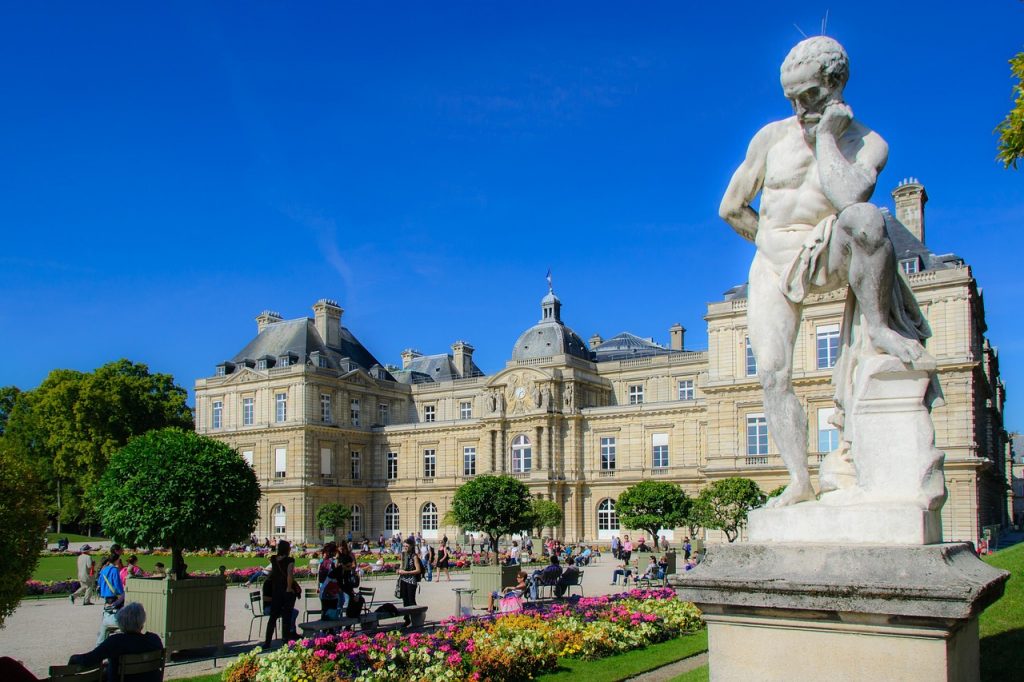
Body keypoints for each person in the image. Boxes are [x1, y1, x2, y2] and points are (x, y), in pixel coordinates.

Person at [719, 36, 933, 508]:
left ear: (835, 85)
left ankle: (877, 324)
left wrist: (826, 138)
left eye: (810, 95)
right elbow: (731, 208)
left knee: (867, 219)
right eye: (791, 97)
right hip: (774, 260)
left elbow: (848, 199)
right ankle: (800, 480)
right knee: (773, 375)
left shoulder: (868, 142)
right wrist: (774, 244)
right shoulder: (770, 138)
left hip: (829, 245)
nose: (799, 107)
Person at [69, 602, 163, 682]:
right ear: (142, 622)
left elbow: (89, 660)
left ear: (121, 623)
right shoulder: (154, 640)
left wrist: (74, 658)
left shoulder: (116, 642)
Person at [263, 540, 299, 648]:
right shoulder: (290, 560)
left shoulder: (274, 559)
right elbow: (289, 575)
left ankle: (267, 642)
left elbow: (272, 574)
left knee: (273, 617)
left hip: (276, 591)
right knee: (286, 617)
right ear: (287, 549)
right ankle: (284, 641)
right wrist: (289, 588)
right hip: (285, 591)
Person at [95, 554, 125, 644]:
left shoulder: (104, 570)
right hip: (114, 596)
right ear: (117, 560)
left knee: (107, 615)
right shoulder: (114, 570)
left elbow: (100, 582)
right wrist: (121, 593)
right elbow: (117, 584)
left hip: (106, 596)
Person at [396, 536, 424, 623]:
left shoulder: (414, 556)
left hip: (411, 581)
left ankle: (417, 618)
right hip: (403, 580)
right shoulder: (403, 554)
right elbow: (401, 565)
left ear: (412, 546)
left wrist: (406, 573)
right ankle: (407, 619)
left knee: (411, 601)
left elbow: (418, 570)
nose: (405, 548)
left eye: (407, 546)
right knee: (405, 600)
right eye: (404, 546)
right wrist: (399, 570)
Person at [318, 543, 339, 616]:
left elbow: (320, 577)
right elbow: (335, 578)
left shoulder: (323, 562)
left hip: (323, 589)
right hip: (331, 590)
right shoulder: (332, 563)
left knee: (324, 612)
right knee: (332, 613)